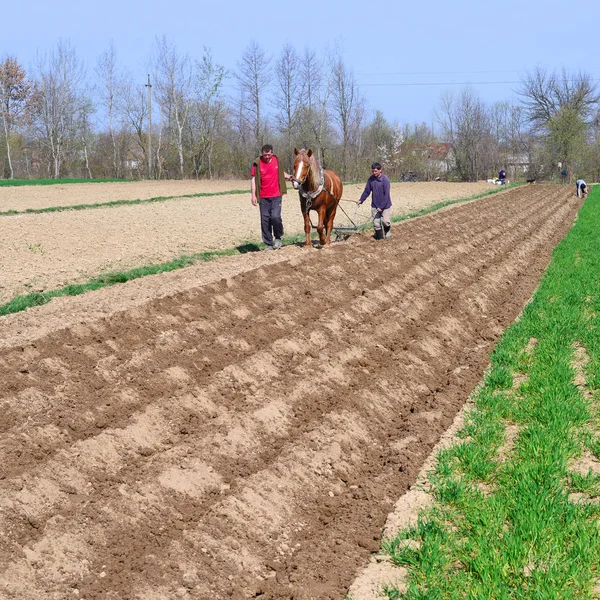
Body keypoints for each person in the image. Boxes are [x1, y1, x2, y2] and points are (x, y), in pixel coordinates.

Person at [251, 144, 293, 250]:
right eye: (265, 155)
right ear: (262, 154)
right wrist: (253, 195)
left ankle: (278, 238)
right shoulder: (257, 163)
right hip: (263, 196)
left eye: (269, 154)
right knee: (265, 220)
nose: (267, 157)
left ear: (272, 153)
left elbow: (280, 172)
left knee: (275, 217)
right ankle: (269, 243)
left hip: (276, 195)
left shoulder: (276, 161)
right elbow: (253, 179)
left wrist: (288, 176)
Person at [357, 162, 392, 240]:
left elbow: (386, 195)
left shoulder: (385, 180)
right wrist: (361, 200)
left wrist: (382, 207)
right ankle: (380, 239)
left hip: (385, 205)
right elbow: (367, 191)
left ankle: (387, 231)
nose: (374, 173)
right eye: (373, 171)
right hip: (375, 205)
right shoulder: (371, 179)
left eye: (375, 171)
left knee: (385, 221)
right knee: (376, 223)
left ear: (380, 170)